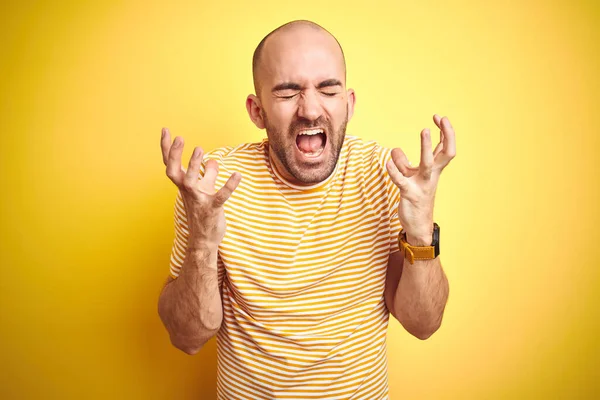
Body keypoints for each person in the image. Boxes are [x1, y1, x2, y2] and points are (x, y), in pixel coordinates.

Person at [158, 19, 455, 400]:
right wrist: (202, 242)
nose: (311, 110)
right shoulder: (212, 186)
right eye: (287, 92)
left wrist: (420, 229)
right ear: (257, 111)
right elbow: (187, 337)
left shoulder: (384, 175)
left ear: (347, 105)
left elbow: (423, 324)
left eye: (328, 89)